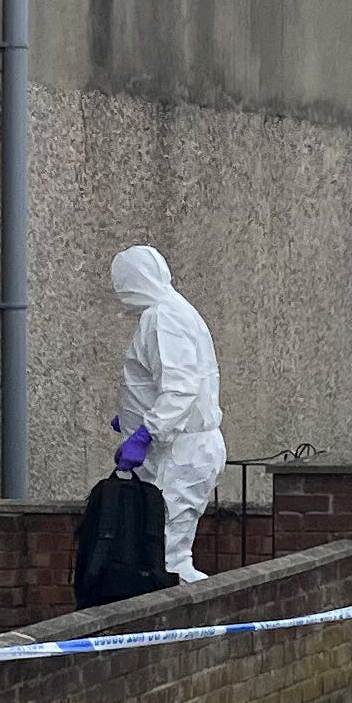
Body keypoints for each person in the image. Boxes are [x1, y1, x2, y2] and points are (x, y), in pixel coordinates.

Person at [110, 245, 225, 585]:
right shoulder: (174, 311)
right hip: (181, 447)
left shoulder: (162, 318)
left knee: (168, 557)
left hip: (180, 450)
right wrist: (131, 416)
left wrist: (146, 432)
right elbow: (175, 380)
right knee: (165, 545)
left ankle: (176, 628)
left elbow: (180, 389)